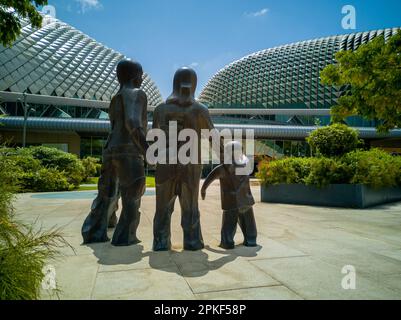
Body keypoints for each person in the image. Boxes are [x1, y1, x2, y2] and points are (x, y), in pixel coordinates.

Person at [152, 67, 221, 251]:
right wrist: (226, 156)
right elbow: (213, 137)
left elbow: (154, 139)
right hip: (190, 164)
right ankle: (192, 242)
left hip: (165, 164)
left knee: (162, 208)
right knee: (190, 207)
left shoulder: (160, 110)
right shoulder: (199, 110)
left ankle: (160, 242)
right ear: (194, 85)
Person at [81, 60, 148, 246]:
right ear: (135, 76)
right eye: (141, 74)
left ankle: (93, 231)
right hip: (129, 150)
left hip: (111, 149)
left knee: (107, 192)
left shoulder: (115, 97)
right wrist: (146, 149)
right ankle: (125, 236)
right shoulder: (137, 93)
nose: (142, 79)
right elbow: (133, 122)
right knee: (133, 193)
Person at [201, 141, 257, 250]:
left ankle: (227, 242)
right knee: (249, 223)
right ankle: (251, 240)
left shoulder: (223, 168)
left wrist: (203, 190)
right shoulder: (246, 163)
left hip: (232, 202)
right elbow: (243, 156)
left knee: (229, 225)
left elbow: (209, 178)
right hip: (247, 200)